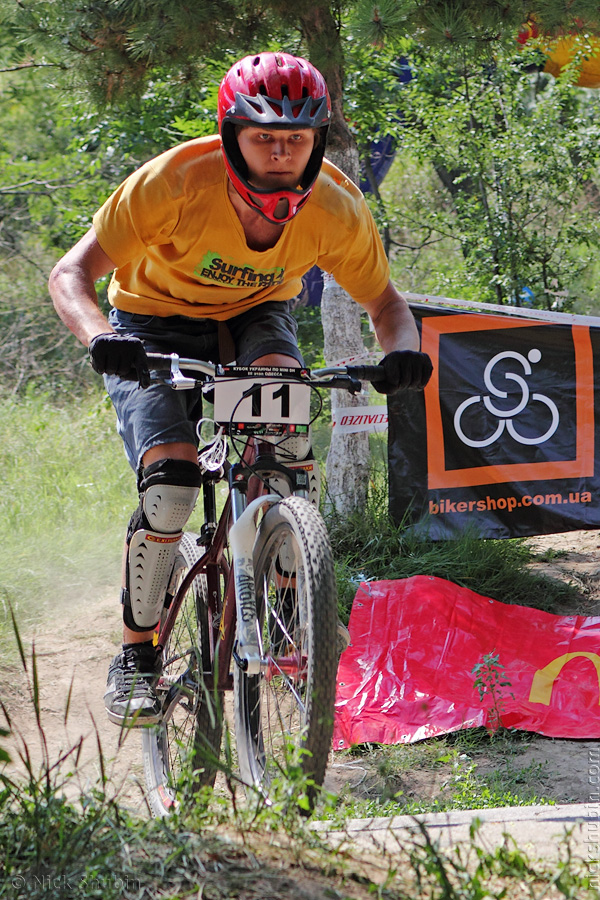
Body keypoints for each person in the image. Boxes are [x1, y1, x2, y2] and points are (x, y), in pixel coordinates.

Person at [48, 51, 433, 728]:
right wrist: (99, 337)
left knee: (283, 440)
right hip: (148, 322)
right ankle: (137, 656)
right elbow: (70, 274)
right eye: (264, 138)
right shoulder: (171, 183)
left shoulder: (337, 207)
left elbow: (389, 307)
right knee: (170, 483)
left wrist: (402, 354)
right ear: (231, 137)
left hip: (253, 317)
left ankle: (293, 598)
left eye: (296, 139)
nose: (280, 154)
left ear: (317, 140)